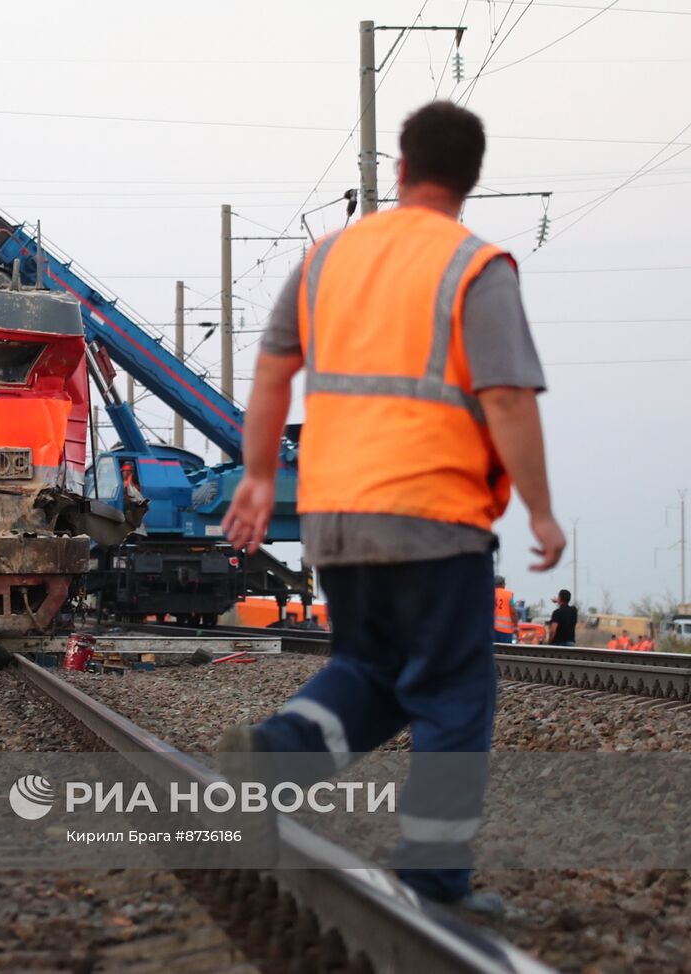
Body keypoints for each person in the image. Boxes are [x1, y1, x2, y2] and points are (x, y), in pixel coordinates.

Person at [218, 102, 564, 917]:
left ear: (401, 169)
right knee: (451, 690)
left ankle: (277, 757)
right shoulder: (474, 265)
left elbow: (272, 373)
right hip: (434, 512)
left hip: (336, 518)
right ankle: (435, 881)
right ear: (471, 181)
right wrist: (542, 512)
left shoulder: (328, 258)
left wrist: (261, 480)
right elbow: (507, 397)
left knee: (373, 672)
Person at [493, 575, 517, 644]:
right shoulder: (509, 595)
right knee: (505, 652)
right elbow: (513, 612)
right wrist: (516, 626)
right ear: (502, 584)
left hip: (491, 631)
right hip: (506, 632)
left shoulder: (489, 594)